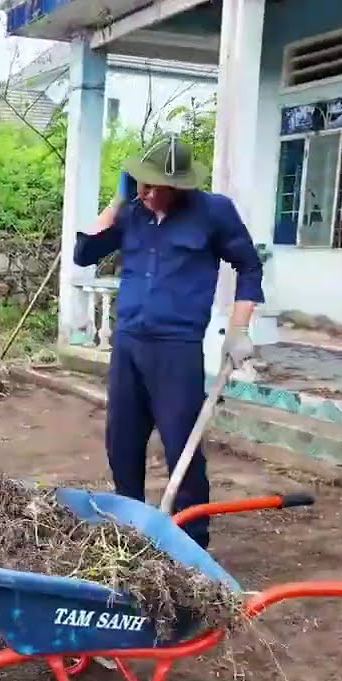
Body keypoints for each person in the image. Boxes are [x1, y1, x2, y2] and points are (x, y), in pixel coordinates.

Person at [73, 136, 264, 549]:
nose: (148, 193)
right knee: (121, 441)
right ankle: (130, 527)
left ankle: (191, 541)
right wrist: (118, 202)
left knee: (182, 445)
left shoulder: (213, 213)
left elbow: (249, 266)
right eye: (142, 183)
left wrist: (239, 329)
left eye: (156, 187)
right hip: (127, 342)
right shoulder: (132, 212)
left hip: (176, 348)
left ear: (181, 187)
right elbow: (84, 253)